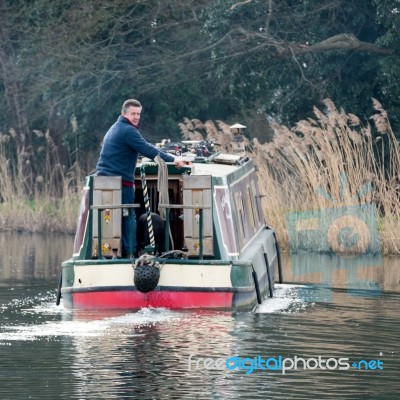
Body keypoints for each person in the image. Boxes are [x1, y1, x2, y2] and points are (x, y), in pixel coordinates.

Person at [96, 99, 185, 257]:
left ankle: (113, 250)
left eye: (138, 114)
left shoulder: (116, 128)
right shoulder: (128, 130)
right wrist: (173, 159)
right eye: (133, 114)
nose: (136, 117)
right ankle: (132, 252)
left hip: (107, 180)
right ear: (124, 113)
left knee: (119, 215)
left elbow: (141, 145)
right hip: (121, 183)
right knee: (129, 216)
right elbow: (146, 149)